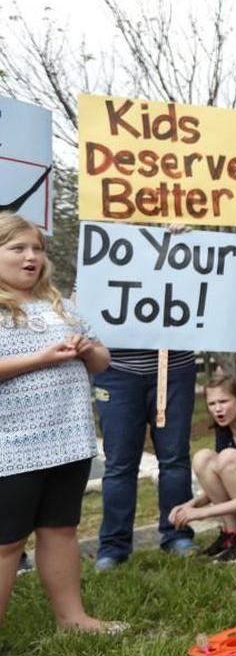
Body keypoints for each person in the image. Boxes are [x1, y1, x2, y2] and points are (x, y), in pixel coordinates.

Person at [0, 214, 125, 633]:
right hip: (13, 445)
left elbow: (104, 361)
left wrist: (88, 349)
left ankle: (72, 619)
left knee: (60, 529)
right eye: (18, 249)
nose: (31, 257)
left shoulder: (62, 304)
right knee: (8, 543)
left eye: (36, 248)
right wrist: (39, 358)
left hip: (69, 438)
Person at [169, 374, 236, 562]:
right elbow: (222, 479)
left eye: (223, 401)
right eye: (212, 404)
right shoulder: (224, 431)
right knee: (202, 458)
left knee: (227, 457)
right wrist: (190, 505)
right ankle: (233, 533)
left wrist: (203, 513)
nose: (218, 409)